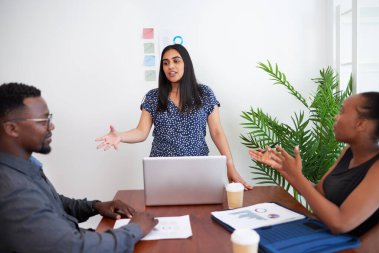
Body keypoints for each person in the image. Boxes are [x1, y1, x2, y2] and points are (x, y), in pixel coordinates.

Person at [0, 82, 158, 253]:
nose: (51, 126)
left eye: (49, 118)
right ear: (12, 128)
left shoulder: (24, 166)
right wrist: (136, 229)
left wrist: (95, 206)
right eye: (43, 120)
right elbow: (75, 247)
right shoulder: (12, 190)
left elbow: (53, 203)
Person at [96, 44, 252, 190]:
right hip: (161, 170)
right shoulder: (153, 96)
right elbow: (141, 132)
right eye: (165, 63)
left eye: (176, 61)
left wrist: (230, 165)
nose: (170, 66)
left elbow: (217, 131)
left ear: (186, 64)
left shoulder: (204, 93)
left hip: (198, 169)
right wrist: (120, 136)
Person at [249, 92, 379, 236]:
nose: (335, 117)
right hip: (322, 235)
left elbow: (340, 223)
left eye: (342, 111)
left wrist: (297, 176)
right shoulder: (348, 152)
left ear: (360, 124)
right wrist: (288, 171)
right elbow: (318, 195)